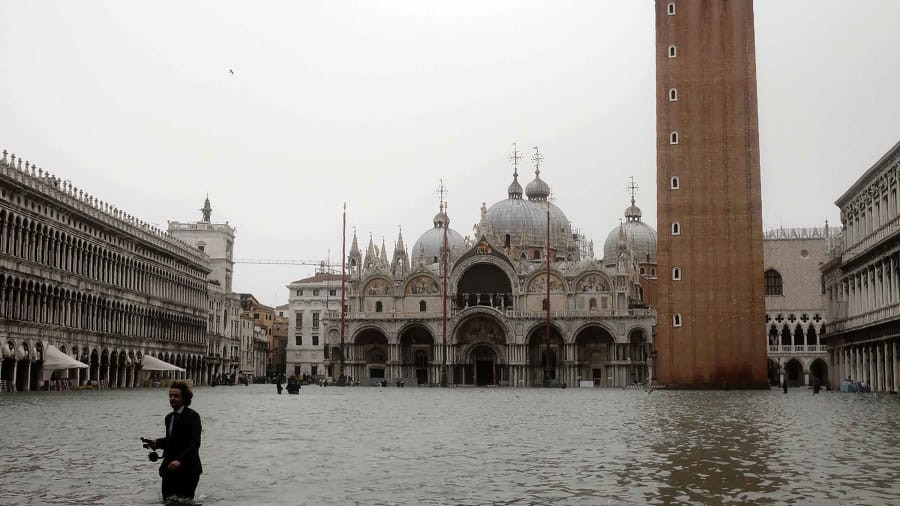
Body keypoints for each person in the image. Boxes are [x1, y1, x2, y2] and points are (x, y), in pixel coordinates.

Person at [145, 381, 203, 501]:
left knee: (184, 501)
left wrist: (179, 461)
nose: (172, 398)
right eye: (170, 396)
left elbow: (194, 443)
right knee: (167, 501)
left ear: (184, 398)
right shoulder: (169, 418)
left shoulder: (193, 416)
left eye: (176, 396)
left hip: (188, 469)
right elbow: (171, 441)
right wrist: (157, 443)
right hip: (169, 469)